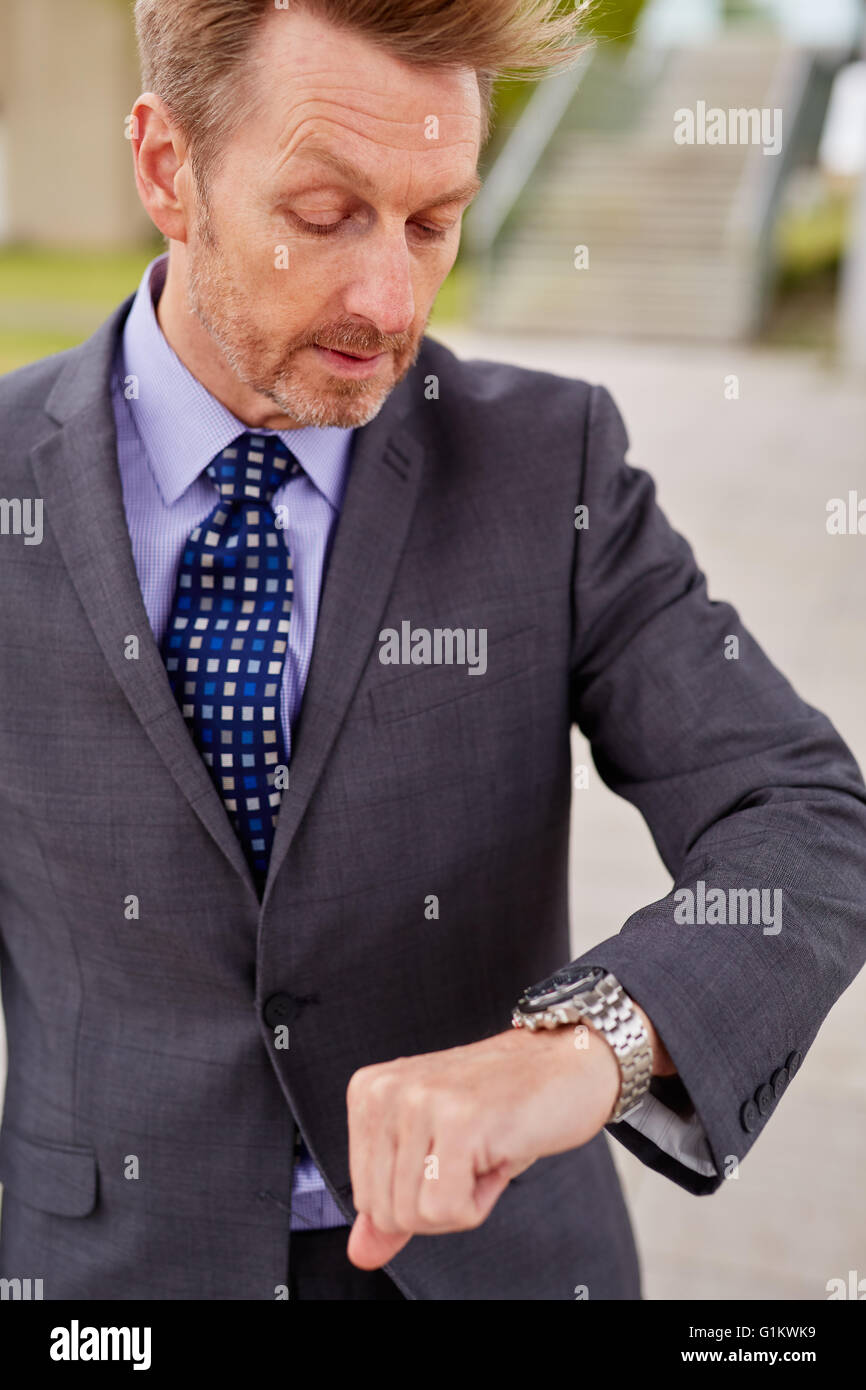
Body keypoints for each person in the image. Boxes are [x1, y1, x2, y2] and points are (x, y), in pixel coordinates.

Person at [0, 0, 863, 1301]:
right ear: (167, 167)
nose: (390, 301)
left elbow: (801, 816)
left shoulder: (550, 467)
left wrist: (586, 1045)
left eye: (432, 218)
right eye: (325, 213)